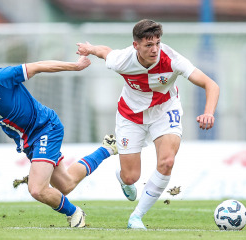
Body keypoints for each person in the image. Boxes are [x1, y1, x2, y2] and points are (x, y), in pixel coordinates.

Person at [0, 57, 118, 228]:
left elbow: (38, 66)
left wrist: (75, 66)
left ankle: (75, 213)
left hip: (45, 128)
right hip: (29, 141)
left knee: (37, 189)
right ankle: (108, 148)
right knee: (65, 185)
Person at [76, 19, 219, 229]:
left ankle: (136, 216)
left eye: (158, 43)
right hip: (130, 116)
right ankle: (123, 178)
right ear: (136, 46)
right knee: (131, 176)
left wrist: (208, 112)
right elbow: (105, 52)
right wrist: (89, 48)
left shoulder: (172, 59)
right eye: (148, 45)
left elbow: (211, 84)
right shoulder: (122, 60)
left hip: (165, 110)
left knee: (167, 161)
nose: (155, 50)